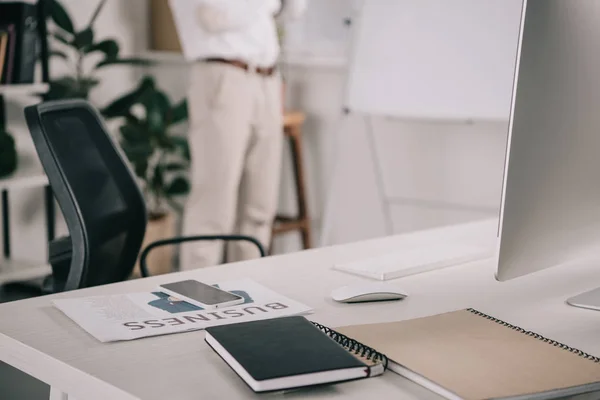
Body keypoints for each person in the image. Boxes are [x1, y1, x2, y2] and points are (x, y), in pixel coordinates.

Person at [179, 0, 307, 270]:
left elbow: (294, 10)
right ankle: (194, 296)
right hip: (223, 77)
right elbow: (215, 16)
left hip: (267, 79)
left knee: (260, 207)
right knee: (213, 204)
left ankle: (250, 295)